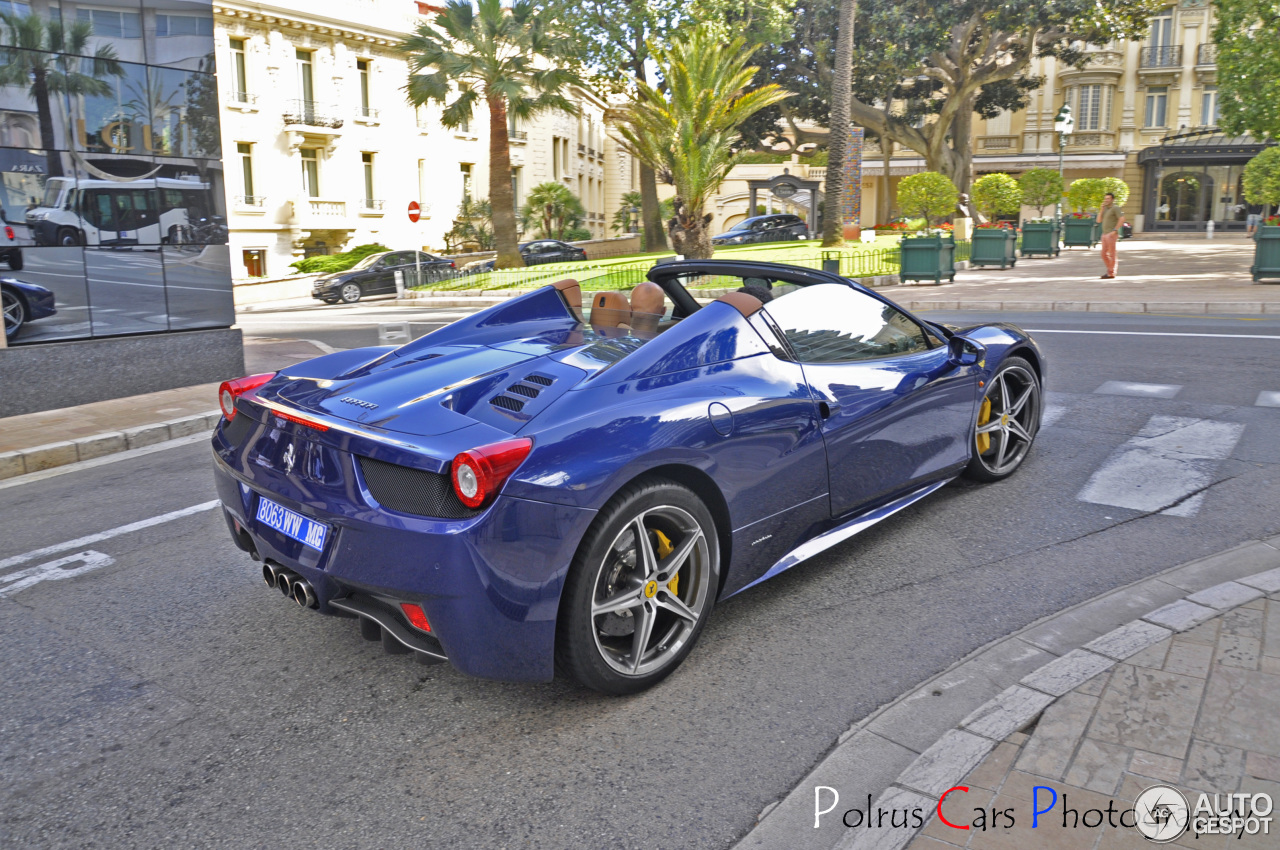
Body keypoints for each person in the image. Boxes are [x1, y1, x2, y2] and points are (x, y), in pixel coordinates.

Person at [1098, 192, 1124, 279]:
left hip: (1111, 234)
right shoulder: (1105, 208)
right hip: (1104, 234)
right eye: (1105, 198)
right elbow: (1098, 221)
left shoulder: (1115, 208)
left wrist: (1115, 230)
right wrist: (1101, 210)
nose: (1106, 200)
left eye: (1108, 198)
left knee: (1112, 253)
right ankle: (1110, 271)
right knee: (1103, 254)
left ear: (1112, 199)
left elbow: (1122, 218)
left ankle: (1111, 272)